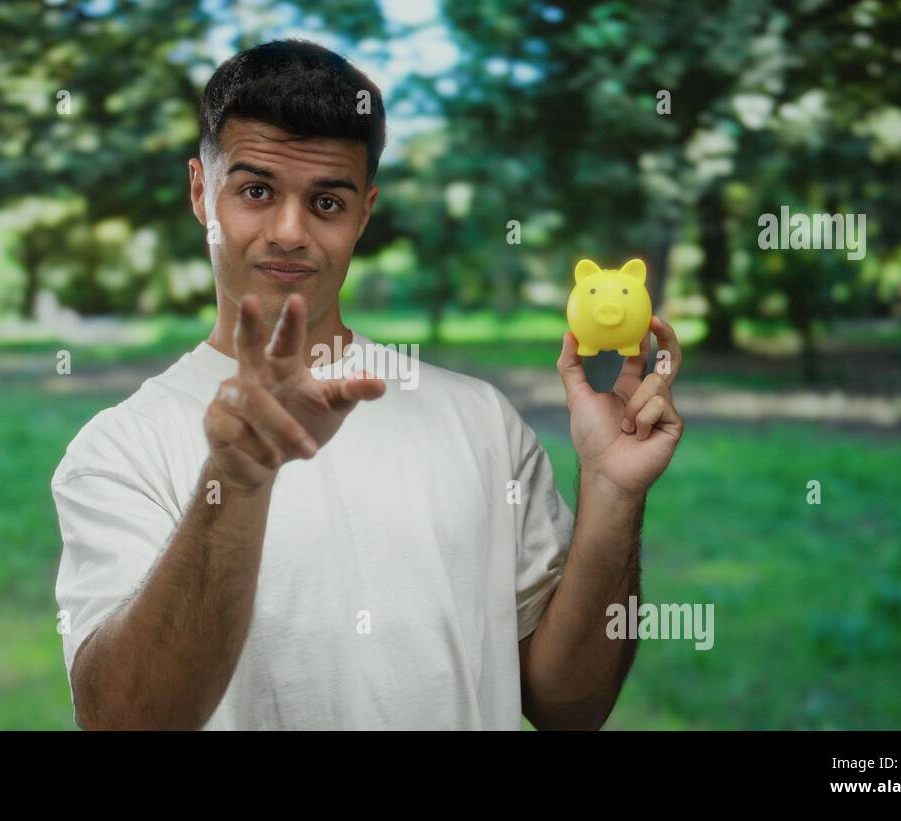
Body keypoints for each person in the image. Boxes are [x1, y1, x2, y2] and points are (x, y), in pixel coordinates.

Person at [51, 39, 686, 730]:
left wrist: (614, 492)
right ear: (203, 193)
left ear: (365, 212)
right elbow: (122, 719)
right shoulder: (119, 447)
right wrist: (238, 480)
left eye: (326, 201)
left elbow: (572, 706)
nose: (290, 232)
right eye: (256, 190)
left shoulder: (478, 420)